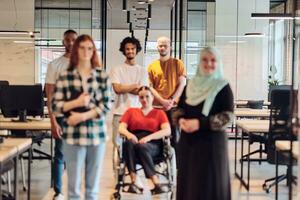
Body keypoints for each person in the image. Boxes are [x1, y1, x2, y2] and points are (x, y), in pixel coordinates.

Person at [52, 34, 111, 200]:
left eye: (90, 48)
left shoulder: (102, 76)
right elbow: (56, 106)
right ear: (76, 49)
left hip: (96, 136)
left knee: (92, 189)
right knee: (74, 189)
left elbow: (105, 106)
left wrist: (81, 116)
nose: (86, 52)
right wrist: (76, 102)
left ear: (94, 51)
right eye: (82, 47)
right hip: (73, 137)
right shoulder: (65, 76)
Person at [174, 47, 233, 200]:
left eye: (213, 60)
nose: (209, 64)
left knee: (208, 187)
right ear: (199, 62)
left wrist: (200, 124)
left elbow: (227, 116)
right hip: (189, 146)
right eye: (205, 60)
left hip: (211, 147)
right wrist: (180, 120)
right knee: (189, 186)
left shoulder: (223, 86)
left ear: (218, 63)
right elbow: (178, 109)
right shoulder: (190, 86)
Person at [119, 86, 171, 195]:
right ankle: (134, 181)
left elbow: (167, 131)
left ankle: (155, 182)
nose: (144, 100)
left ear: (152, 97)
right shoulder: (131, 111)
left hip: (153, 143)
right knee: (128, 143)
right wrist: (129, 134)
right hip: (134, 140)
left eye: (147, 96)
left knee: (141, 146)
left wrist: (149, 138)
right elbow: (121, 128)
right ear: (138, 99)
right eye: (141, 97)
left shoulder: (159, 113)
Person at [45, 29, 77, 200]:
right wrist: (52, 121)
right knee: (61, 154)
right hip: (61, 116)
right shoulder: (54, 65)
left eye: (74, 40)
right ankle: (58, 192)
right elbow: (49, 95)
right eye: (67, 40)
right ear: (63, 42)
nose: (71, 43)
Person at [110, 37, 148, 148]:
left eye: (132, 48)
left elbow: (142, 92)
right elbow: (117, 89)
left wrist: (124, 87)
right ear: (123, 50)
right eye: (127, 49)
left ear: (137, 50)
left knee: (136, 143)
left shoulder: (142, 71)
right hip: (119, 112)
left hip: (137, 112)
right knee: (117, 145)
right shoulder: (116, 69)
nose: (130, 51)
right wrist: (135, 86)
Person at [147, 36, 186, 146]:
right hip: (157, 107)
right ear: (157, 47)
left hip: (174, 107)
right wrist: (162, 101)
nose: (163, 48)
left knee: (176, 138)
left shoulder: (178, 63)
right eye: (160, 46)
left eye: (165, 46)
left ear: (170, 47)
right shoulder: (151, 66)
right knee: (156, 137)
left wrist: (171, 100)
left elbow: (182, 83)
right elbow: (150, 87)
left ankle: (176, 162)